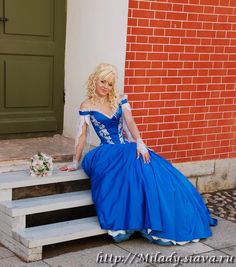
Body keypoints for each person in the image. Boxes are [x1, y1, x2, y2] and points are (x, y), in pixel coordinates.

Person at [60, 63, 217, 245]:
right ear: (95, 80)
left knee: (151, 172)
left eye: (110, 84)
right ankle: (124, 222)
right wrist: (75, 161)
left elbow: (130, 121)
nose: (105, 87)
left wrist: (140, 143)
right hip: (106, 152)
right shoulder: (86, 105)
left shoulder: (120, 99)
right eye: (102, 81)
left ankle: (154, 220)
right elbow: (81, 135)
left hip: (127, 146)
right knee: (121, 175)